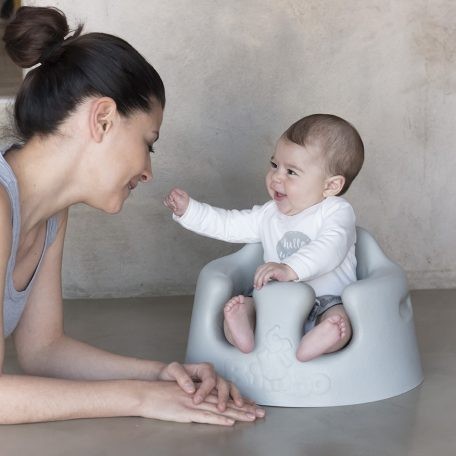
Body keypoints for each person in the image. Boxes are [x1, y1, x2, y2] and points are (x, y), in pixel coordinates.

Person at [0, 6, 265, 425]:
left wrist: (161, 376)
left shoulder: (51, 214)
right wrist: (139, 398)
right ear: (103, 119)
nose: (148, 171)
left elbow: (43, 349)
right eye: (149, 142)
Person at [164, 114, 364, 362]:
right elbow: (229, 224)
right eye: (274, 165)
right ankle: (241, 330)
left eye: (291, 171)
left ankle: (324, 337)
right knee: (245, 303)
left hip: (326, 302)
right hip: (272, 303)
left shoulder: (335, 212)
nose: (276, 177)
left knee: (341, 320)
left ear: (330, 186)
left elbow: (331, 247)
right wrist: (190, 211)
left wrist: (290, 268)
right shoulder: (269, 214)